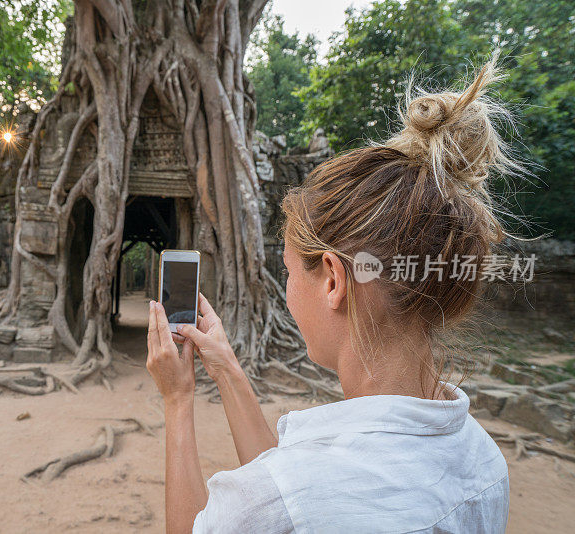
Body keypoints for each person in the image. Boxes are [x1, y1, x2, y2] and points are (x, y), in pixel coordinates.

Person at [146, 56, 517, 533]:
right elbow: (293, 501)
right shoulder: (485, 461)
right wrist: (226, 368)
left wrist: (178, 400)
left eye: (287, 273)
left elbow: (284, 503)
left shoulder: (275, 499)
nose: (285, 296)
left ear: (333, 281)